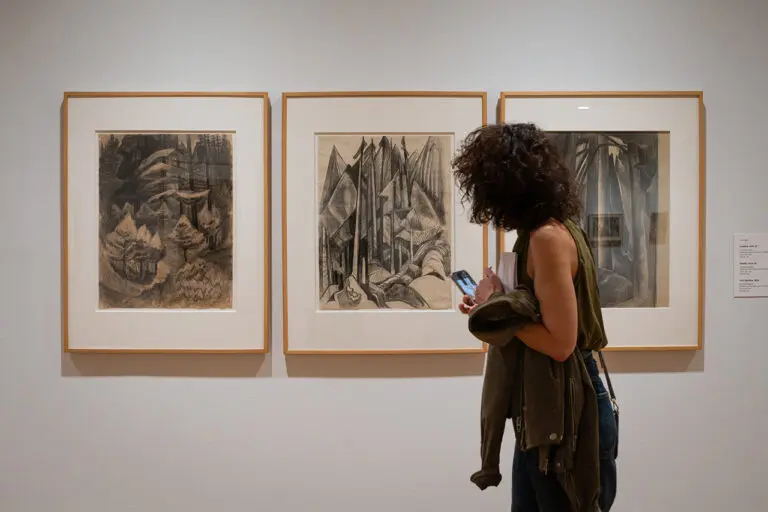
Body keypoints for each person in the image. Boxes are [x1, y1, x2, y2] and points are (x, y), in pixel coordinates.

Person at [453, 123, 618, 511]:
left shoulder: (546, 239)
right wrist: (491, 305)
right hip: (548, 410)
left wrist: (496, 309)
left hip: (565, 413)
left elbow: (560, 344)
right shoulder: (549, 231)